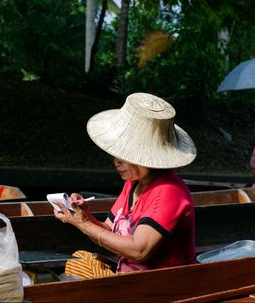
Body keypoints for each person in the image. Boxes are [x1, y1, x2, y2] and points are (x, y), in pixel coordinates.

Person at [52, 92, 197, 279]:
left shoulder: (169, 190)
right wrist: (83, 216)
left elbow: (139, 251)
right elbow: (109, 232)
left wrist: (84, 224)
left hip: (161, 283)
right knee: (80, 259)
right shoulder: (133, 183)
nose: (116, 162)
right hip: (130, 277)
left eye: (124, 156)